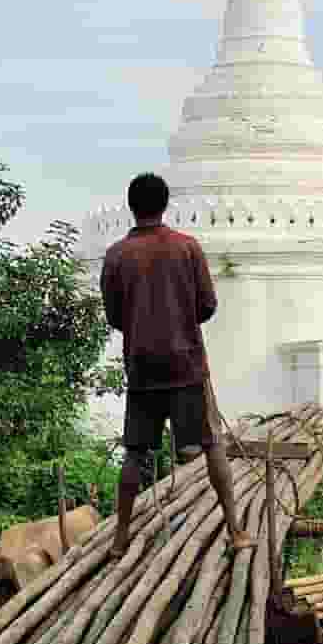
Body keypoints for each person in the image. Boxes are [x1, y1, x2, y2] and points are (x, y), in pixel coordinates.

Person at [101, 172, 251, 556]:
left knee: (135, 453)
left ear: (132, 207)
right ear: (165, 205)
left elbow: (114, 316)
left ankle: (120, 537)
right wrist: (178, 320)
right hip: (186, 366)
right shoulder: (187, 247)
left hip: (142, 370)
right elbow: (208, 305)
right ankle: (235, 530)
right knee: (211, 443)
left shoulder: (117, 255)